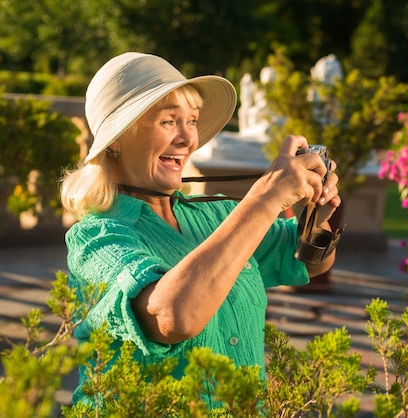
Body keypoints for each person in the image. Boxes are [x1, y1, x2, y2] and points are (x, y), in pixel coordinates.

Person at [60, 52, 341, 409]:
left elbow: (310, 263)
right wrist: (267, 197)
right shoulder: (96, 238)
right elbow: (173, 316)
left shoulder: (222, 214)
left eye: (191, 120)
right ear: (116, 138)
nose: (187, 139)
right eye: (168, 121)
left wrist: (314, 211)